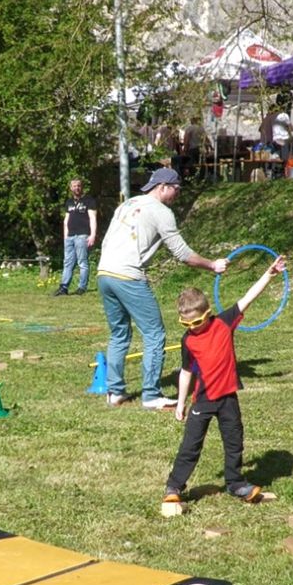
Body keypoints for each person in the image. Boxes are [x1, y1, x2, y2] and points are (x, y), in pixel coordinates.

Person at [160, 254, 289, 517]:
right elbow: (186, 371)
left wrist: (269, 274)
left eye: (196, 322)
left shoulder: (223, 322)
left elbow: (248, 298)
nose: (192, 328)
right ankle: (174, 486)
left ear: (207, 314)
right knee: (191, 445)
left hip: (228, 397)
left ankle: (235, 483)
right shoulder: (188, 340)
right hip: (203, 400)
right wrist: (180, 403)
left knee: (234, 441)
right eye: (185, 324)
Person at [95, 167, 228, 409]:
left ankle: (115, 392)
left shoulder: (127, 204)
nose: (177, 194)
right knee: (154, 334)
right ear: (163, 187)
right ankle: (151, 395)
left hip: (104, 273)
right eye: (176, 189)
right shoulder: (161, 211)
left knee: (119, 333)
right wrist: (212, 265)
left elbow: (106, 240)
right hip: (127, 275)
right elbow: (182, 253)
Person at [55, 179, 97, 297]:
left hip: (82, 235)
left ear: (81, 187)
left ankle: (82, 287)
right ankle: (64, 288)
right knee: (67, 262)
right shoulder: (69, 202)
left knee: (82, 262)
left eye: (78, 186)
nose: (76, 188)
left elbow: (93, 218)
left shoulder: (89, 201)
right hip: (70, 236)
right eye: (74, 186)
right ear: (70, 188)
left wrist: (93, 235)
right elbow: (66, 220)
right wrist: (65, 236)